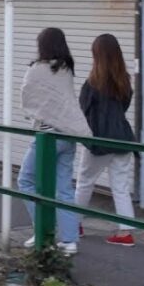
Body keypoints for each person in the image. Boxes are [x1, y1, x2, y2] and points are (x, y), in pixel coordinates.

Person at [16, 27, 91, 254]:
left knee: (25, 181)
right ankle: (70, 241)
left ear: (43, 45)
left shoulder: (37, 69)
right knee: (64, 189)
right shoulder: (67, 68)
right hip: (68, 136)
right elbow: (61, 102)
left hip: (47, 137)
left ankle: (43, 231)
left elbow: (29, 96)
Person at [74, 33, 138, 247]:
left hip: (99, 140)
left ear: (97, 56)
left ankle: (74, 224)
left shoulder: (92, 82)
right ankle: (125, 232)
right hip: (123, 138)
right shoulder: (124, 80)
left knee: (84, 182)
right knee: (120, 186)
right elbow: (125, 107)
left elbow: (82, 110)